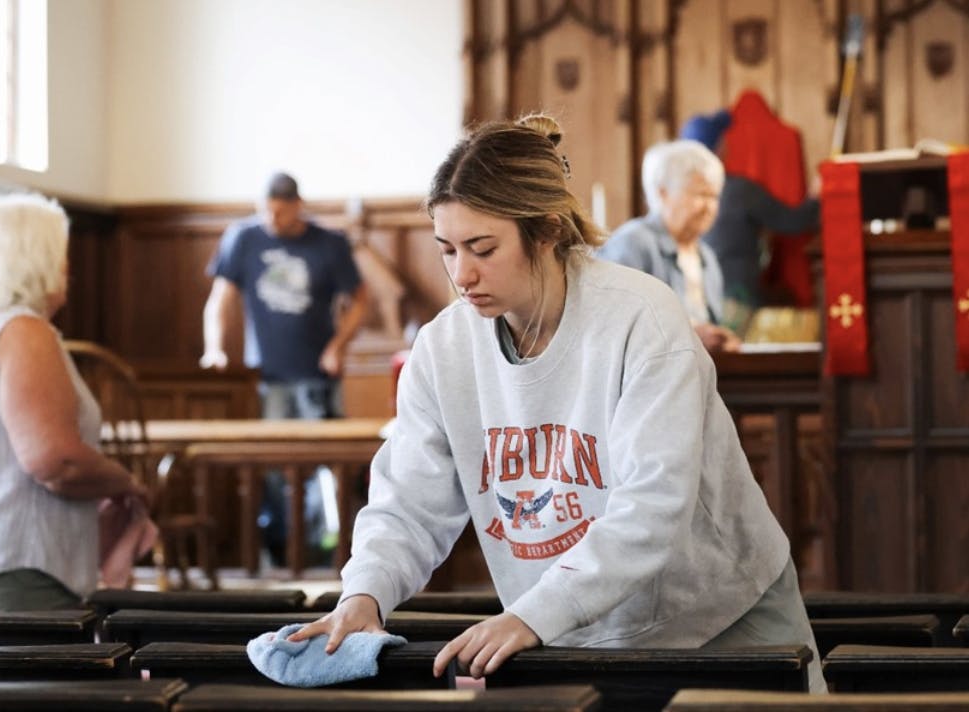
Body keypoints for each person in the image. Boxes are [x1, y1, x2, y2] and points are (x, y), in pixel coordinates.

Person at [289, 114, 826, 694]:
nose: (461, 275)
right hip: (570, 627)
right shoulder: (443, 349)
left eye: (482, 247)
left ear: (545, 232)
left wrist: (532, 614)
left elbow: (652, 504)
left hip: (721, 615)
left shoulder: (640, 318)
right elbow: (408, 503)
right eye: (446, 249)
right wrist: (365, 592)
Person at [0, 191, 149, 612]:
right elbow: (57, 462)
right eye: (59, 253)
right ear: (32, 258)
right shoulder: (25, 332)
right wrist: (125, 482)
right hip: (11, 575)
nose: (67, 267)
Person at [200, 172, 369, 564]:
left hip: (317, 374)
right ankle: (277, 549)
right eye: (266, 212)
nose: (273, 221)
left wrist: (337, 346)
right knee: (271, 466)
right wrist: (214, 349)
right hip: (266, 375)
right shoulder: (243, 238)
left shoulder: (328, 243)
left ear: (297, 205)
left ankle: (329, 551)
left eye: (281, 212)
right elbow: (219, 301)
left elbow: (360, 301)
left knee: (326, 464)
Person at [597, 139, 742, 354]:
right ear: (662, 193)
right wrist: (689, 335)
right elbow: (613, 321)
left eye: (714, 196)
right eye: (700, 194)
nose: (709, 207)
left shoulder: (707, 257)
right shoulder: (633, 243)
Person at [682, 107, 821, 321]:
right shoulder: (740, 191)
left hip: (693, 302)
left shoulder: (678, 196)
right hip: (736, 299)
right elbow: (794, 221)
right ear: (718, 148)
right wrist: (816, 196)